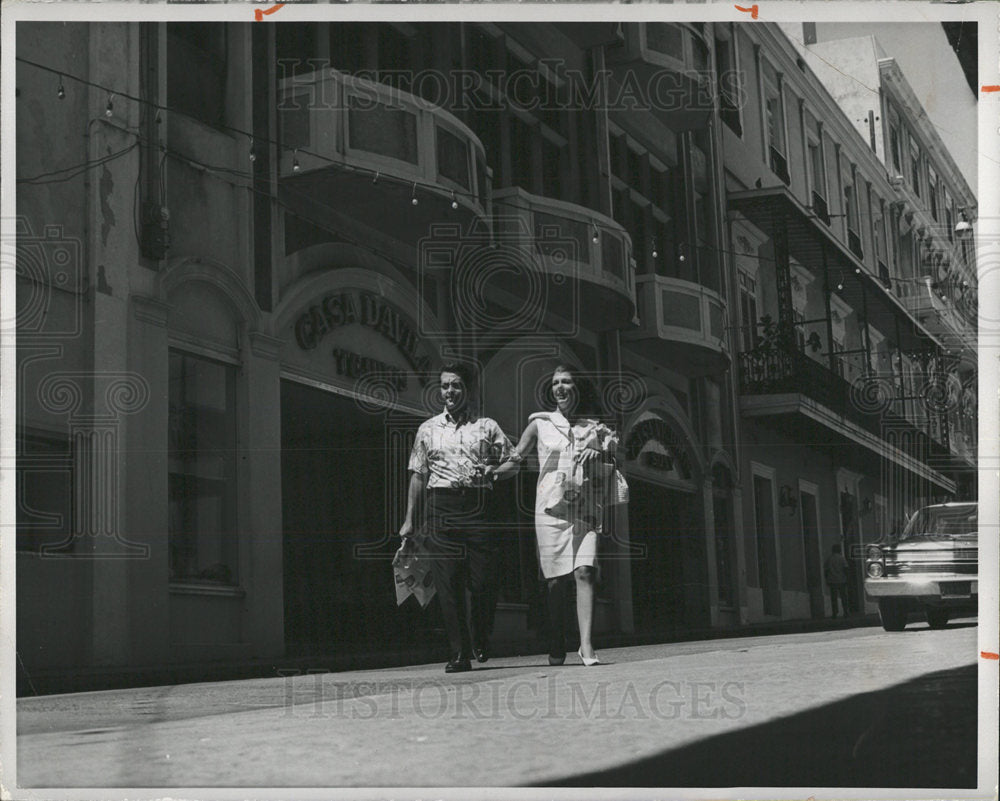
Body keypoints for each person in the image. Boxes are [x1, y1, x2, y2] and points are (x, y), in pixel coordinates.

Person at [496, 365, 618, 666]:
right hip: (550, 510)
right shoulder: (540, 424)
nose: (560, 387)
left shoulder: (595, 428)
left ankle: (586, 645)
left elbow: (614, 461)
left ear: (578, 387)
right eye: (555, 383)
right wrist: (492, 474)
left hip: (585, 508)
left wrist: (600, 453)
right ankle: (556, 639)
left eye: (566, 382)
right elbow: (516, 459)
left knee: (585, 571)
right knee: (555, 582)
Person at [396, 362, 514, 673]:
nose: (450, 391)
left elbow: (513, 461)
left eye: (456, 385)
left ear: (469, 390)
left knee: (483, 580)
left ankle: (481, 633)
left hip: (478, 506)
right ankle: (459, 652)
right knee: (447, 584)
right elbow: (418, 475)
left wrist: (496, 471)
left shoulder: (487, 426)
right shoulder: (428, 429)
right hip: (441, 507)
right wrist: (410, 520)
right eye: (446, 385)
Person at [824, 543, 850, 618]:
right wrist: (847, 578)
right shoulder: (842, 558)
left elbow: (826, 570)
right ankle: (846, 611)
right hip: (841, 580)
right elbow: (846, 569)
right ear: (839, 550)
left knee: (834, 598)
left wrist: (827, 579)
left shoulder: (829, 559)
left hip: (832, 580)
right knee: (844, 597)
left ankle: (835, 613)